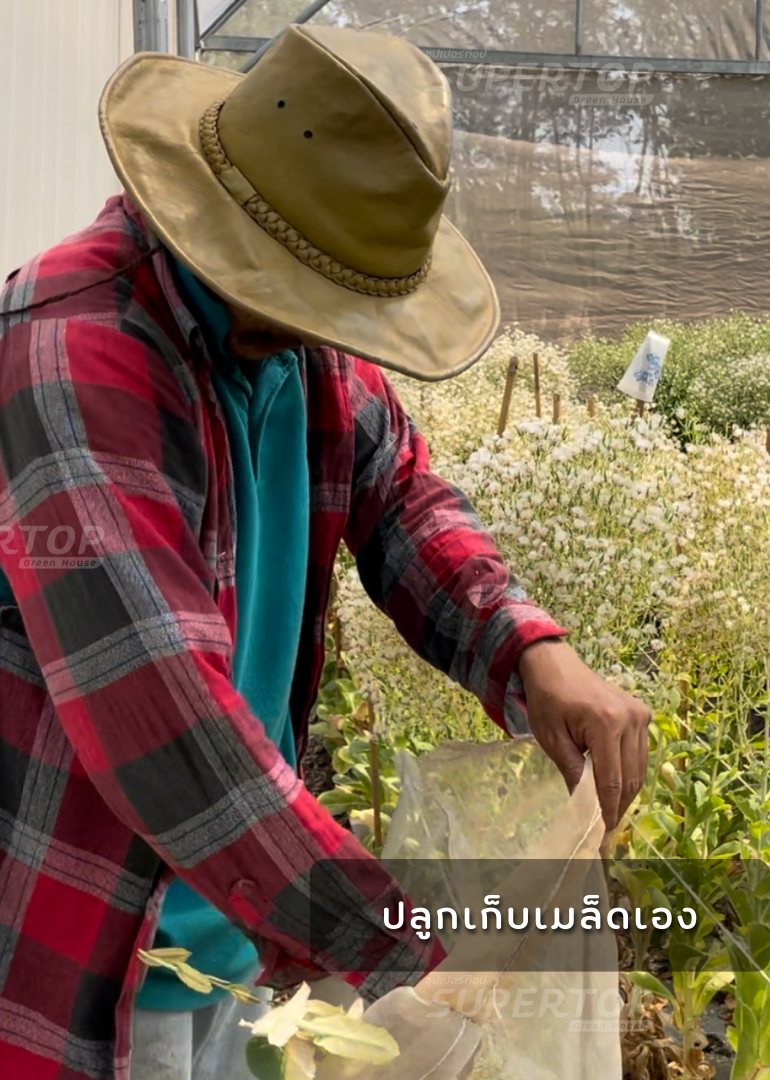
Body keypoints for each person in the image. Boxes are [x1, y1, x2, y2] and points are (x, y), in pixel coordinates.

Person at [0, 26, 651, 1080]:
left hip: (244, 941)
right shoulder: (75, 341)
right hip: (95, 962)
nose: (330, 326)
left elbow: (404, 503)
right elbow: (164, 717)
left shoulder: (300, 350)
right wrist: (414, 964)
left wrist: (536, 654)